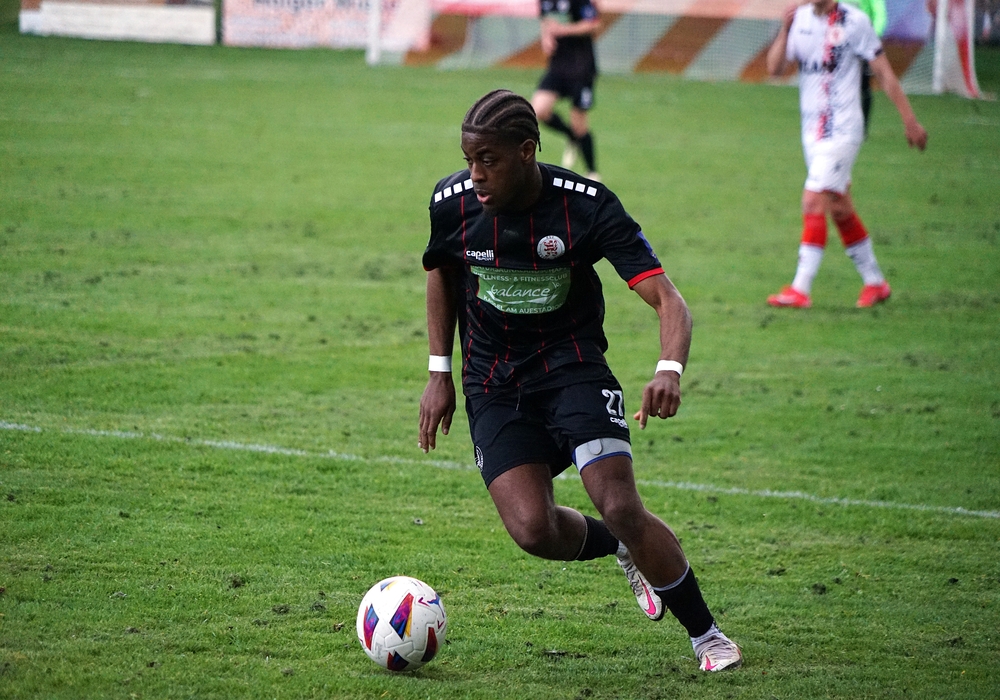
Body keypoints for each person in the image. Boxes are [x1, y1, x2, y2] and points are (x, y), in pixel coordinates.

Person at [418, 89, 742, 673]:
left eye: (488, 160)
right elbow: (441, 272)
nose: (475, 174)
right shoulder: (452, 203)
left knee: (618, 502)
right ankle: (622, 549)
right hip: (493, 382)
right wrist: (439, 372)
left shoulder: (585, 206)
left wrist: (668, 369)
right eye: (469, 160)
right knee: (533, 529)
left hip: (572, 369)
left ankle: (708, 636)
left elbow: (668, 299)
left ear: (526, 151)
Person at [765, 0, 928, 309]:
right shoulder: (799, 19)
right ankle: (876, 283)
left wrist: (910, 120)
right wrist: (785, 30)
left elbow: (884, 73)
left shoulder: (855, 22)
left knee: (813, 200)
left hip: (843, 130)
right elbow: (774, 69)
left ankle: (800, 289)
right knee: (840, 207)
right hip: (812, 133)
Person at [530, 0, 601, 181]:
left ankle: (592, 173)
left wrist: (564, 30)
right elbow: (546, 22)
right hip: (557, 67)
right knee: (537, 111)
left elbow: (593, 24)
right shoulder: (544, 2)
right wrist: (546, 37)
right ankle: (571, 136)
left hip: (581, 68)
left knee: (579, 125)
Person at [843, 0, 887, 135]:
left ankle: (863, 127)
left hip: (863, 44)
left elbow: (880, 14)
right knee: (839, 84)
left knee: (864, 86)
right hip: (841, 45)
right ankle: (841, 123)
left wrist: (874, 37)